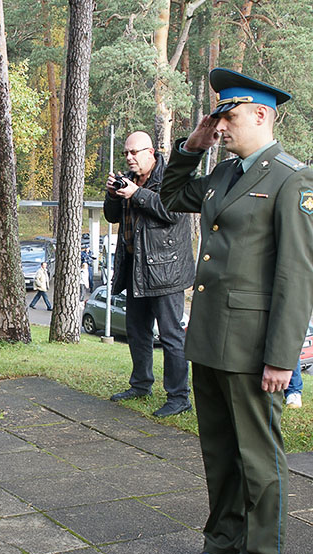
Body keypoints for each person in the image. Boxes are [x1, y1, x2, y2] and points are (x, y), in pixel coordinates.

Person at [160, 68, 313, 554]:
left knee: (258, 456)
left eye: (229, 115)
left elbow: (297, 276)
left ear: (262, 114)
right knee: (219, 450)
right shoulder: (224, 174)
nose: (221, 125)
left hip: (255, 346)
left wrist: (283, 357)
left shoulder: (291, 177)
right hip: (210, 337)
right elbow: (171, 195)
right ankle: (224, 539)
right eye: (218, 116)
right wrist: (191, 146)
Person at [104, 131, 195, 417]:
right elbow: (112, 216)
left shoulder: (171, 178)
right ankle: (141, 384)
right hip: (136, 267)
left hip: (166, 271)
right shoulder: (130, 181)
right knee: (137, 331)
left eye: (134, 152)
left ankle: (179, 397)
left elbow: (174, 212)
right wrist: (113, 194)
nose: (129, 158)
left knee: (170, 335)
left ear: (151, 152)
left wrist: (136, 193)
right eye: (126, 153)